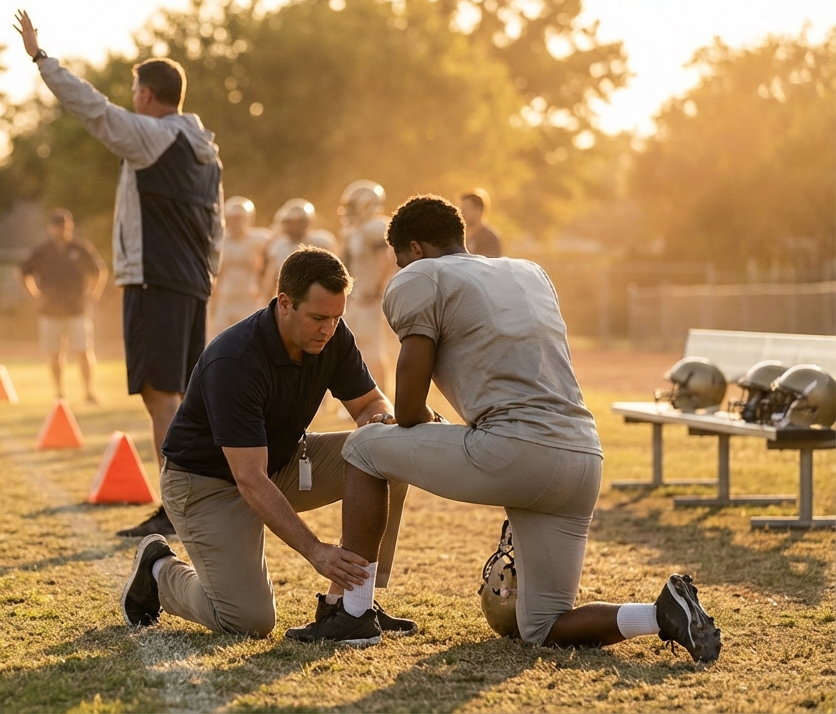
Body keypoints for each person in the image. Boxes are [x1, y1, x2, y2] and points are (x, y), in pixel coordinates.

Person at [286, 195, 722, 663]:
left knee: (366, 445)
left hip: (514, 450)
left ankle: (351, 611)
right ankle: (660, 615)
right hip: (582, 457)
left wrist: (422, 422)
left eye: (400, 260)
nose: (399, 269)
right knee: (541, 625)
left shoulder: (420, 276)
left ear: (413, 248)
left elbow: (408, 406)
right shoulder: (530, 272)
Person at [118, 247, 416, 640]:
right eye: (318, 318)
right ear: (285, 303)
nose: (329, 329)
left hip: (280, 462)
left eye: (336, 318)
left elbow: (369, 402)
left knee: (386, 453)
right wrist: (315, 550)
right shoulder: (235, 360)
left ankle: (350, 605)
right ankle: (157, 571)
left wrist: (378, 418)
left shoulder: (333, 336)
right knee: (248, 621)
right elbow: (250, 480)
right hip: (207, 484)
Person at [16, 10, 223, 538]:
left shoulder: (152, 136)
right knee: (181, 395)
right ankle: (197, 503)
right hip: (190, 281)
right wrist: (207, 274)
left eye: (135, 90)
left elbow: (93, 110)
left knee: (161, 396)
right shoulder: (207, 153)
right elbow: (215, 223)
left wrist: (42, 59)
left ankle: (177, 507)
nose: (131, 99)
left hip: (155, 279)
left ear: (149, 97)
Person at [20, 208, 107, 403]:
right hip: (50, 311)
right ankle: (59, 392)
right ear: (51, 228)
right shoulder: (42, 251)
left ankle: (89, 392)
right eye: (58, 226)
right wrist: (34, 296)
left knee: (83, 352)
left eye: (66, 226)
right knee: (54, 354)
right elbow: (23, 272)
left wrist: (93, 294)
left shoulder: (80, 248)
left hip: (76, 309)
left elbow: (99, 271)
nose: (62, 230)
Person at [337, 180, 397, 390]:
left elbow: (386, 259)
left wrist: (377, 289)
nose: (349, 211)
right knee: (356, 349)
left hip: (370, 297)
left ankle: (381, 393)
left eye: (353, 205)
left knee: (373, 350)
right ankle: (363, 393)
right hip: (357, 297)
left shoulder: (376, 227)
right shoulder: (354, 231)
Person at [207, 196, 271, 339]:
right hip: (225, 300)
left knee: (251, 340)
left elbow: (271, 268)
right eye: (231, 218)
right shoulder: (220, 241)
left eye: (238, 218)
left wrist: (266, 293)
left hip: (250, 300)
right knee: (217, 341)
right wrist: (213, 303)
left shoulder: (260, 239)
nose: (234, 222)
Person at [260, 199, 338, 298]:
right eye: (290, 223)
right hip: (287, 299)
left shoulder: (321, 242)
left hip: (316, 298)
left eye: (298, 222)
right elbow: (270, 279)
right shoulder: (279, 247)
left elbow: (335, 273)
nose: (293, 227)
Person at [459, 188, 502, 257]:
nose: (462, 212)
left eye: (466, 208)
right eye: (460, 208)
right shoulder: (459, 236)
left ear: (478, 210)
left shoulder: (489, 238)